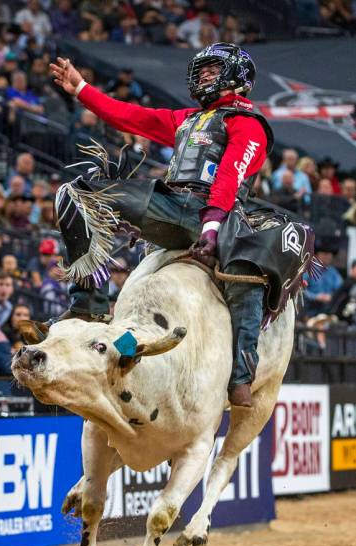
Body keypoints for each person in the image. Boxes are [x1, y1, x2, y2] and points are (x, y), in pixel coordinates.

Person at [50, 43, 315, 407]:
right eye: (201, 70)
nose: (203, 75)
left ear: (238, 79)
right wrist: (82, 89)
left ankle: (241, 375)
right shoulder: (187, 118)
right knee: (75, 194)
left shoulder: (249, 125)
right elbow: (131, 116)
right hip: (170, 203)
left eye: (213, 69)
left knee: (246, 279)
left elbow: (230, 176)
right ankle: (88, 303)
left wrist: (211, 226)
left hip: (221, 214)